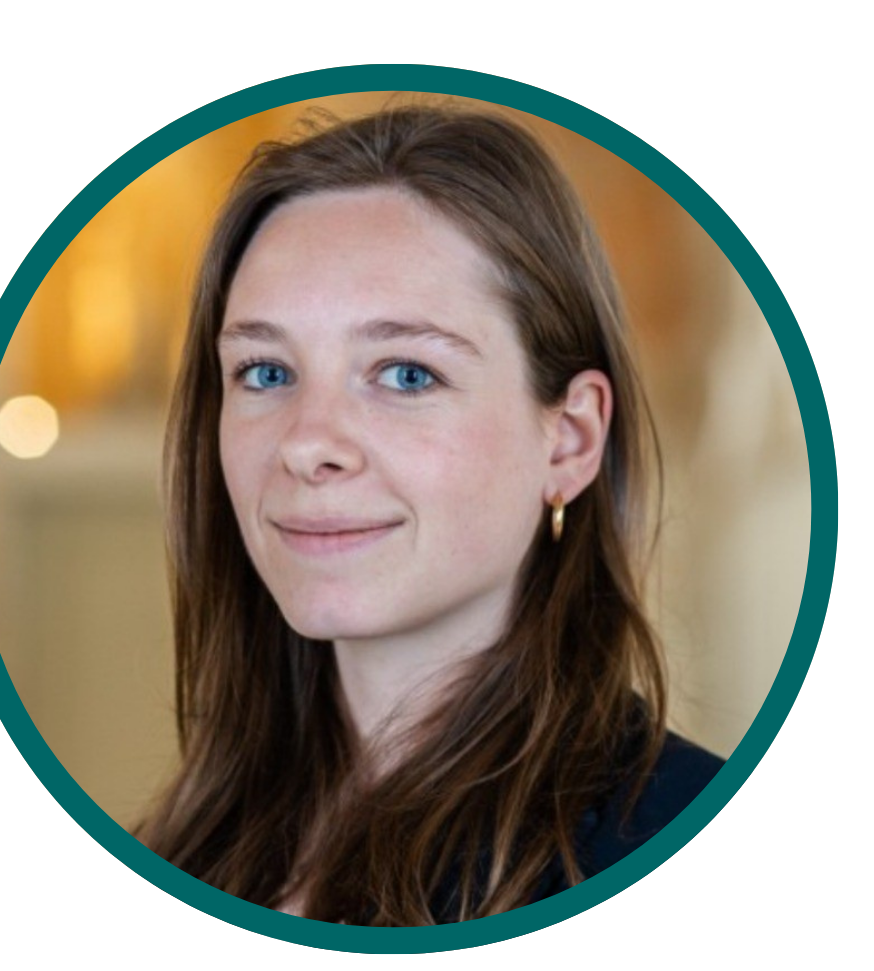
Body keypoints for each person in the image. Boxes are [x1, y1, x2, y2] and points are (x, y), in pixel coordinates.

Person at [136, 104, 724, 925]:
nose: (307, 444)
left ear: (570, 439)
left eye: (406, 373)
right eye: (265, 372)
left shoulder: (670, 828)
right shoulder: (181, 847)